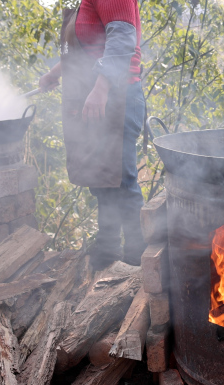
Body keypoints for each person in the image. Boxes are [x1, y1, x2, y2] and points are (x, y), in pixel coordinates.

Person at [39, 0, 147, 268]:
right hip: (97, 97)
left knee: (122, 180)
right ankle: (108, 247)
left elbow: (122, 39)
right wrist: (55, 73)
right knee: (102, 178)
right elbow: (86, 49)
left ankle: (138, 258)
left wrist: (101, 89)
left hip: (116, 96)